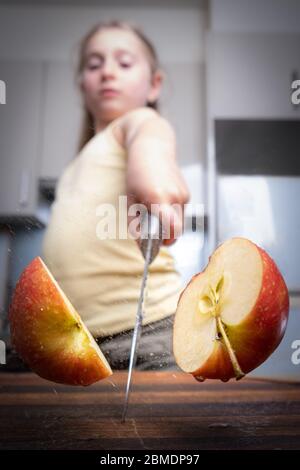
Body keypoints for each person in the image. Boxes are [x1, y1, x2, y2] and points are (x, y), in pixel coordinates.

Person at [42, 20, 190, 371]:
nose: (108, 72)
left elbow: (151, 134)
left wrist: (151, 168)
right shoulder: (73, 167)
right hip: (78, 343)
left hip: (149, 330)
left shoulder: (137, 123)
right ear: (82, 85)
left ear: (154, 85)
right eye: (94, 65)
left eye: (124, 63)